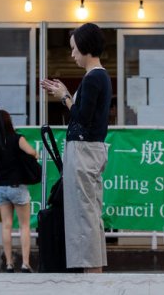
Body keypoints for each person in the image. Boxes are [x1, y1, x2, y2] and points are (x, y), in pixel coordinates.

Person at [40, 22, 112, 273]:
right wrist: (66, 94)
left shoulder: (94, 77)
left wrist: (64, 96)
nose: (72, 54)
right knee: (88, 212)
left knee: (84, 214)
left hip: (84, 152)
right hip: (89, 151)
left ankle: (91, 273)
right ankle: (92, 272)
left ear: (85, 47)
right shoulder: (99, 76)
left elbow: (82, 116)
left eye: (74, 49)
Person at [0, 110, 39, 273]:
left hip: (1, 187)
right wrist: (34, 154)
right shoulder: (17, 138)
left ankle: (8, 263)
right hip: (17, 186)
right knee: (24, 226)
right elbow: (32, 152)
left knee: (6, 226)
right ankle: (25, 263)